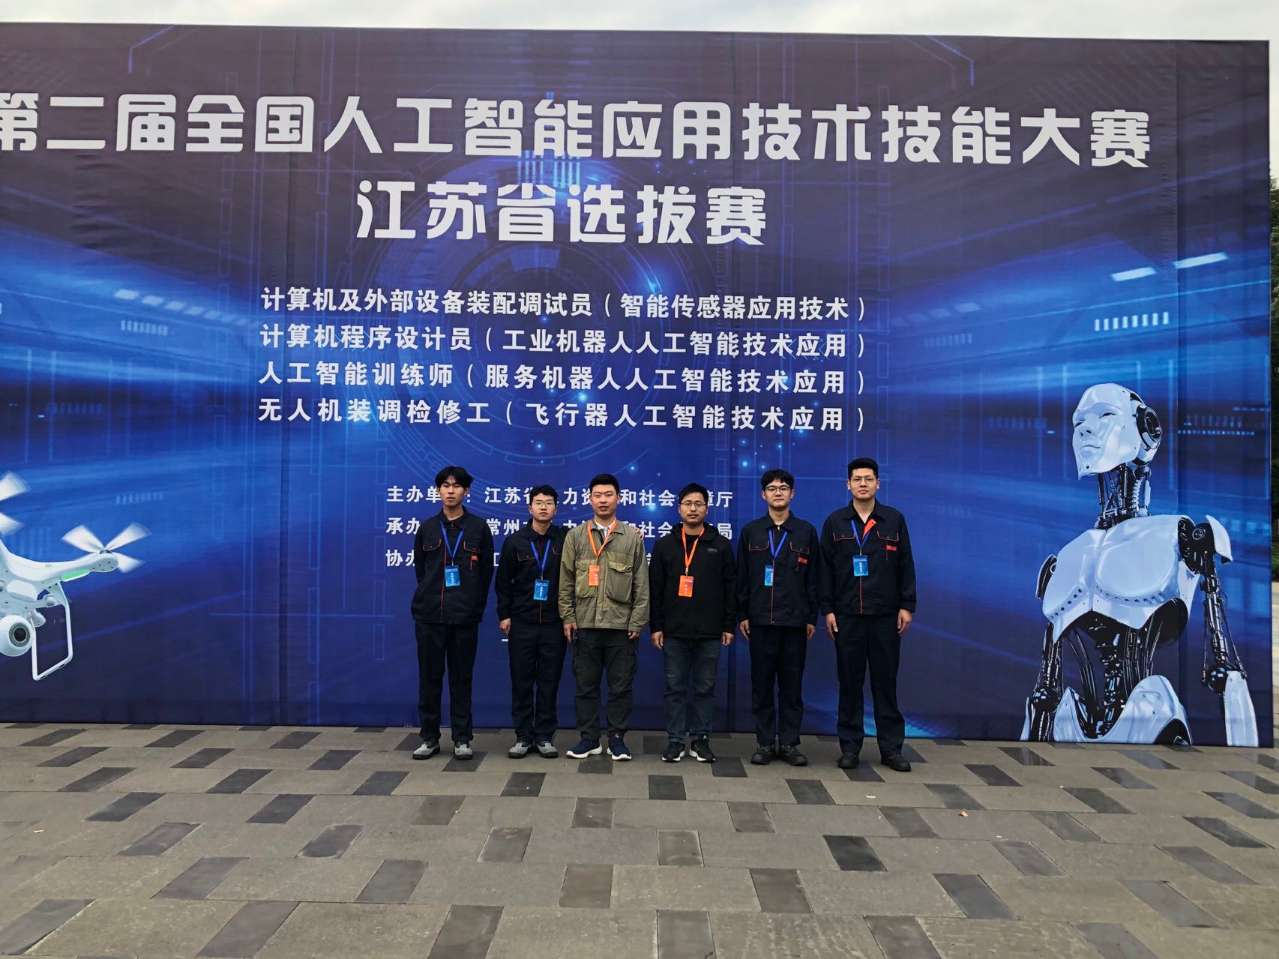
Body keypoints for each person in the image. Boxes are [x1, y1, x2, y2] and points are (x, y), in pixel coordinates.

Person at [819, 457, 916, 772]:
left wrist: (907, 605)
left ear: (877, 483)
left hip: (885, 616)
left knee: (885, 684)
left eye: (868, 479)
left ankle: (891, 749)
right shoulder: (835, 522)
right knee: (850, 684)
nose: (863, 484)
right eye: (857, 479)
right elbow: (825, 570)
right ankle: (850, 747)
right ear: (847, 484)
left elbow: (906, 565)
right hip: (847, 616)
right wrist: (827, 609)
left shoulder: (893, 520)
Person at [558, 473, 649, 761]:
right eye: (597, 495)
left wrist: (637, 621)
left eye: (608, 495)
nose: (603, 500)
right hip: (585, 624)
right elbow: (566, 581)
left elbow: (641, 583)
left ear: (618, 498)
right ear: (589, 499)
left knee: (620, 687)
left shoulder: (631, 537)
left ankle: (617, 739)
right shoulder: (575, 536)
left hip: (621, 627)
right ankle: (589, 739)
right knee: (586, 686)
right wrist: (568, 616)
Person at [410, 466, 494, 761]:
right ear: (438, 491)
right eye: (445, 485)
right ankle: (429, 737)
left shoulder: (479, 528)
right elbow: (421, 570)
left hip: (464, 618)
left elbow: (485, 574)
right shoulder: (427, 528)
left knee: (461, 680)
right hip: (430, 616)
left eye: (456, 486)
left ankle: (462, 738)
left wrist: (473, 607)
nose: (450, 490)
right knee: (429, 679)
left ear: (466, 491)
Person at [737, 468, 820, 766]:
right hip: (760, 621)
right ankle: (764, 742)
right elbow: (742, 577)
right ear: (763, 495)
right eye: (772, 488)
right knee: (761, 685)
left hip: (795, 623)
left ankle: (788, 743)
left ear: (792, 493)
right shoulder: (752, 531)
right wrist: (743, 614)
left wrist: (811, 618)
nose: (778, 493)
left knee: (791, 687)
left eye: (783, 488)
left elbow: (814, 578)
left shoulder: (806, 531)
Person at [649, 483, 736, 763]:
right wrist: (656, 626)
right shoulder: (665, 545)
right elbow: (655, 588)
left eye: (698, 504)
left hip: (710, 632)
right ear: (679, 509)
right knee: (675, 688)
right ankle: (675, 740)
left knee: (704, 688)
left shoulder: (720, 545)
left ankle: (701, 740)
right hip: (674, 631)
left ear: (707, 509)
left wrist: (728, 626)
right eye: (688, 503)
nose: (693, 509)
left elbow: (731, 588)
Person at [495, 485, 568, 759]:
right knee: (522, 681)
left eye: (549, 503)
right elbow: (503, 582)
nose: (543, 507)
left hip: (554, 622)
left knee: (549, 682)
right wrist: (504, 614)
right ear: (529, 507)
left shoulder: (565, 539)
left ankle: (545, 736)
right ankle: (523, 736)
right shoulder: (515, 541)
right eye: (538, 502)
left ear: (556, 509)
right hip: (522, 622)